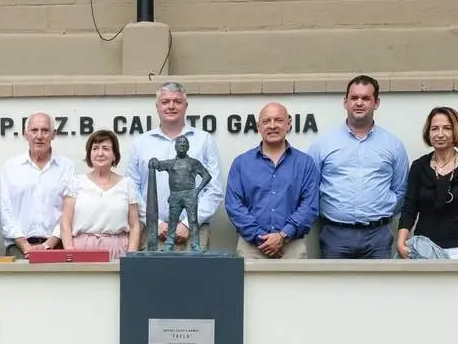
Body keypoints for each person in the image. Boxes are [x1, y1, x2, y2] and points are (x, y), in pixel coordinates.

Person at [309, 75, 409, 259]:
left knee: (379, 288)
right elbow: (310, 187)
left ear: (376, 103)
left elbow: (400, 190)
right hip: (335, 233)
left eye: (366, 98)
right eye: (354, 98)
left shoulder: (393, 145)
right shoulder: (324, 144)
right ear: (345, 102)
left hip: (378, 235)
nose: (359, 103)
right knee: (335, 287)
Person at [125, 82, 222, 250]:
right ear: (157, 107)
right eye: (165, 102)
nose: (171, 106)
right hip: (153, 231)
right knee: (151, 277)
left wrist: (186, 225)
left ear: (185, 106)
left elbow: (214, 190)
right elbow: (132, 191)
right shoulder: (140, 143)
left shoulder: (204, 140)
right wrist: (156, 222)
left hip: (194, 231)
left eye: (177, 101)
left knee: (194, 277)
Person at [225, 102, 319, 260]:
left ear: (288, 124)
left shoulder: (305, 163)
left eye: (278, 120)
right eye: (266, 121)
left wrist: (282, 236)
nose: (272, 126)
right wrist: (261, 237)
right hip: (251, 247)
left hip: (292, 247)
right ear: (258, 126)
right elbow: (234, 205)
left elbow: (309, 205)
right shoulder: (241, 163)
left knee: (294, 286)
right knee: (250, 286)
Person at [397, 107, 458, 261]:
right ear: (428, 133)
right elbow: (409, 208)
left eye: (447, 128)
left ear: (456, 131)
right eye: (434, 129)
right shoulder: (419, 166)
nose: (440, 134)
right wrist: (401, 243)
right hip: (423, 250)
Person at [0, 113, 74, 258]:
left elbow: (70, 212)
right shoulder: (11, 167)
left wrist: (49, 244)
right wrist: (25, 245)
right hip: (18, 248)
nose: (39, 136)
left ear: (54, 135)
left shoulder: (67, 167)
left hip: (57, 246)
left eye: (45, 131)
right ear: (25, 134)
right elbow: (5, 210)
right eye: (34, 130)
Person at [60, 129, 140, 258]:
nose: (100, 153)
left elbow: (135, 225)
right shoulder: (75, 182)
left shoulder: (127, 184)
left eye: (106, 148)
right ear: (89, 154)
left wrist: (131, 256)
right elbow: (65, 222)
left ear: (114, 155)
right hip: (81, 249)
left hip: (118, 249)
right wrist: (70, 251)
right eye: (95, 148)